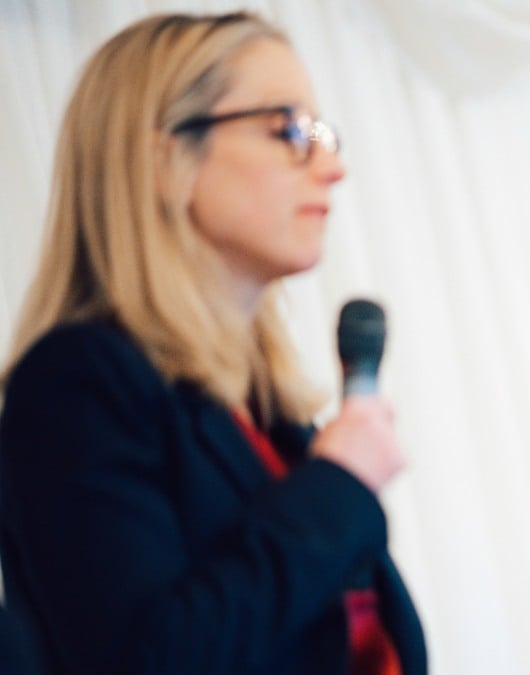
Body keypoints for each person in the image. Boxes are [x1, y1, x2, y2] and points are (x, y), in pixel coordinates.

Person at [0, 12, 425, 675]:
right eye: (289, 130)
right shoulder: (74, 384)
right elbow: (149, 658)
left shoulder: (263, 411)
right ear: (166, 158)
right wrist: (338, 484)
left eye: (324, 134)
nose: (333, 167)